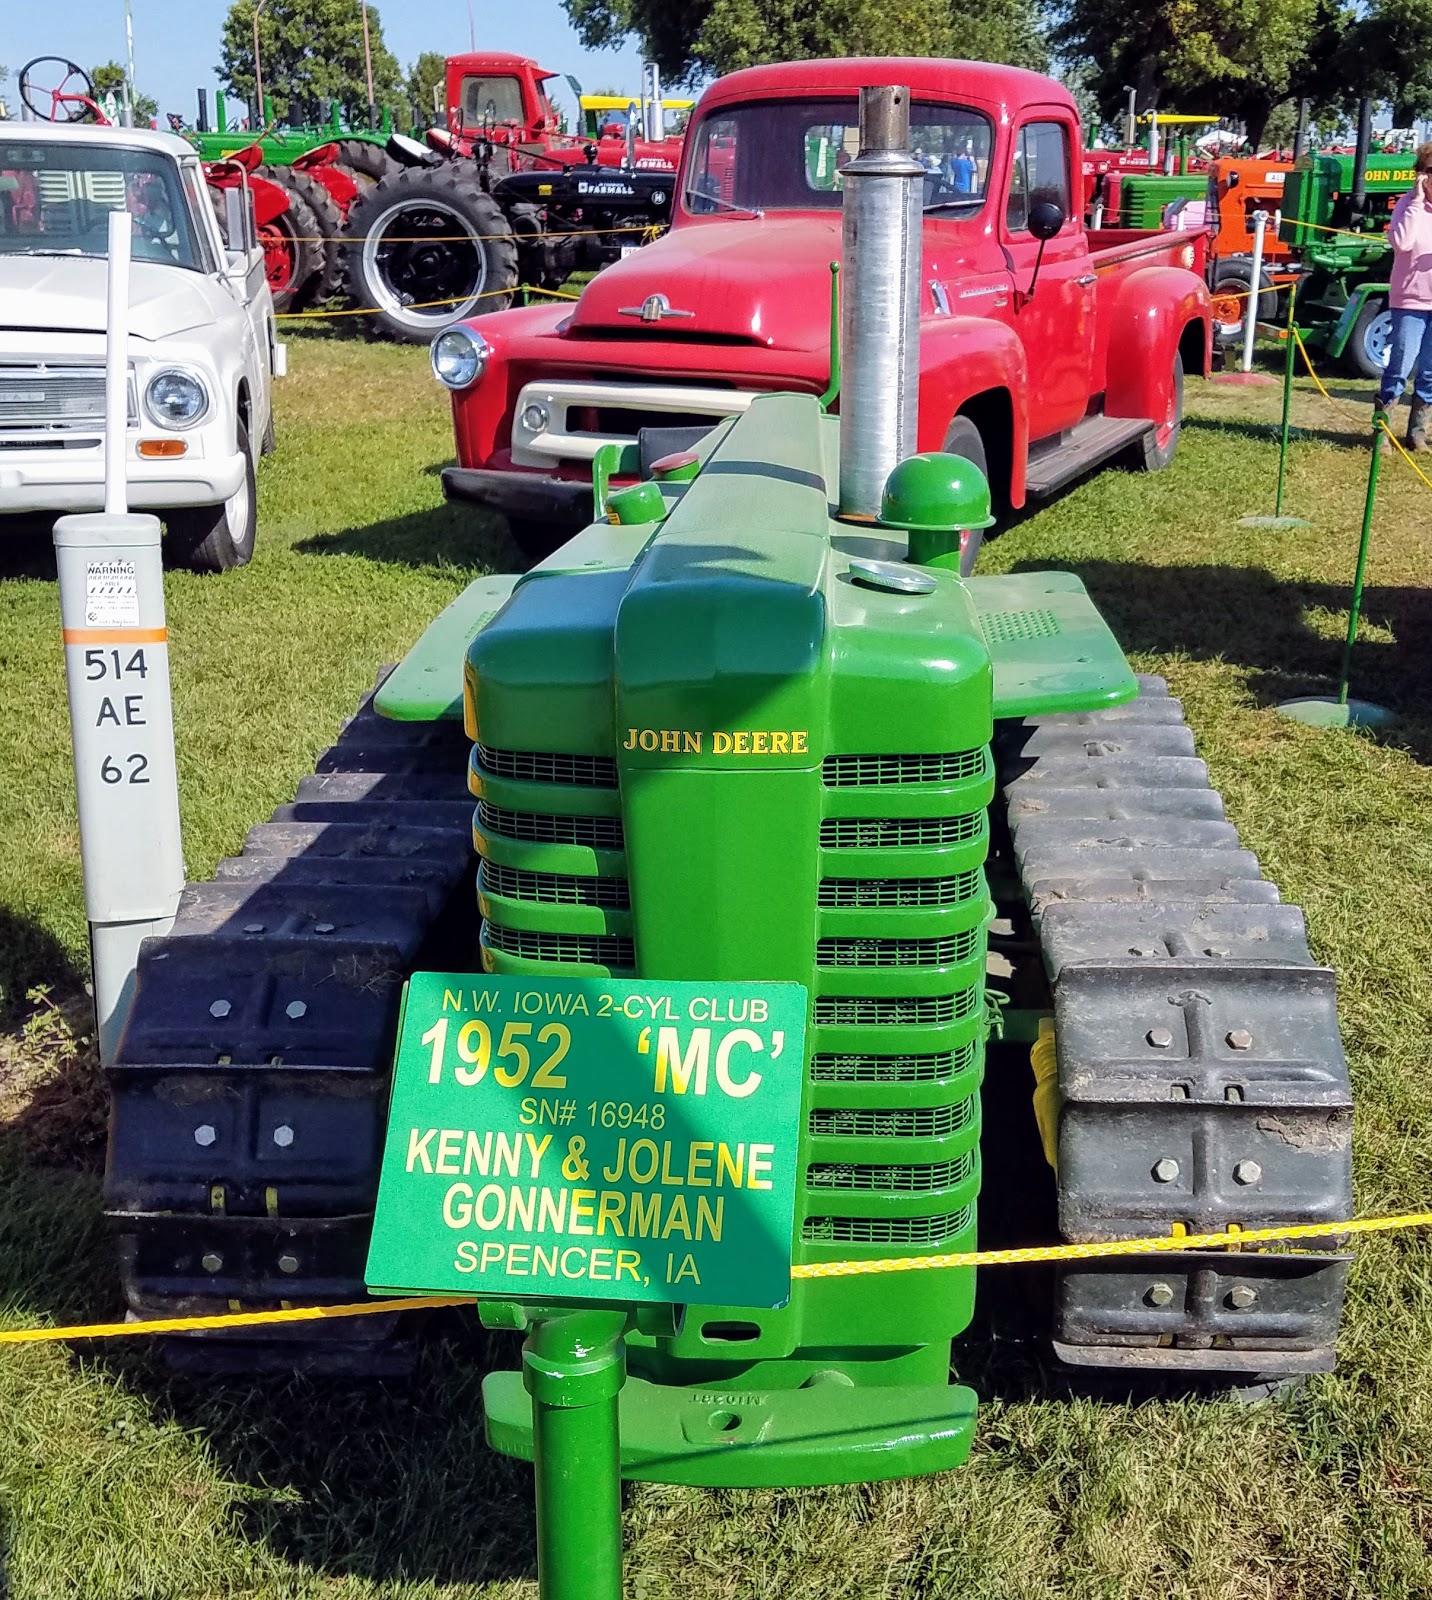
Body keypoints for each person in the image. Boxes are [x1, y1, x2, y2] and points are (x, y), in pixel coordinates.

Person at [1375, 142, 1432, 450]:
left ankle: (1417, 433)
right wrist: (1417, 201)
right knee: (1399, 368)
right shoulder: (1407, 206)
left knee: (1430, 373)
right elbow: (1403, 243)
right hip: (1410, 300)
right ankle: (1381, 431)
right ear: (1421, 174)